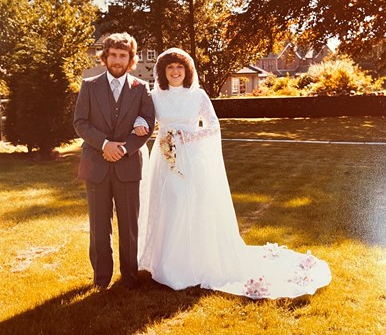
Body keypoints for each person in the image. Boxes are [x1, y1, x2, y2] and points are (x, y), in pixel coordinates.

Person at [136, 48, 331, 299]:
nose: (175, 72)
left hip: (193, 158)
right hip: (164, 159)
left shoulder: (198, 95)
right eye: (170, 68)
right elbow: (148, 122)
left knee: (191, 204)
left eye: (179, 68)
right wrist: (141, 125)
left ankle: (194, 263)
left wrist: (188, 136)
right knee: (169, 204)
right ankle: (166, 265)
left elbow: (213, 126)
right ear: (163, 72)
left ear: (187, 71)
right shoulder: (155, 97)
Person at [73, 32, 155, 290]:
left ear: (131, 60)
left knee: (129, 225)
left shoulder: (141, 88)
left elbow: (148, 124)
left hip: (128, 165)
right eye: (113, 55)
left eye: (123, 56)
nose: (117, 60)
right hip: (95, 165)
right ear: (105, 57)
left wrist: (123, 149)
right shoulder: (89, 85)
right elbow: (80, 123)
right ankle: (101, 279)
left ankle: (129, 278)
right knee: (99, 225)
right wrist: (105, 145)